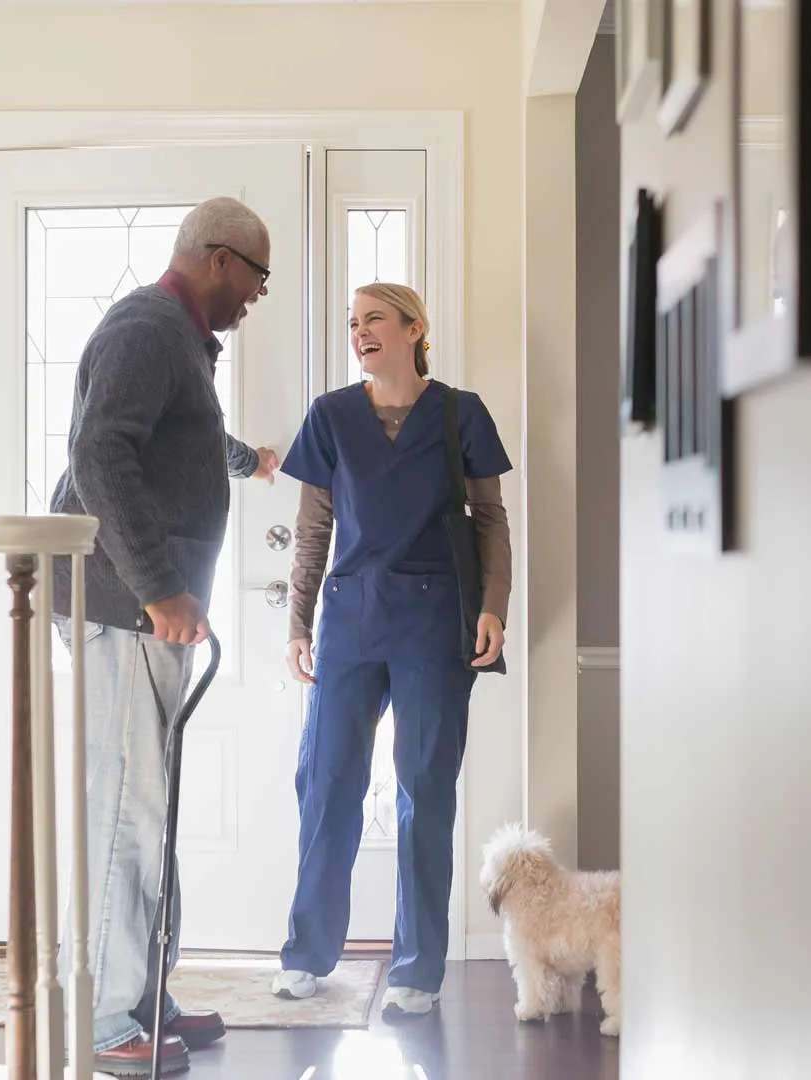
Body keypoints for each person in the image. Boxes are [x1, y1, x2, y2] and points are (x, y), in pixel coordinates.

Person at [47, 196, 278, 1076]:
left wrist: (250, 459)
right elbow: (101, 453)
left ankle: (144, 992)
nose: (257, 296)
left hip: (143, 608)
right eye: (256, 278)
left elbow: (180, 438)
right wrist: (160, 589)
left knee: (154, 810)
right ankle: (109, 1022)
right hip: (124, 607)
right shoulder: (147, 329)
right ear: (220, 260)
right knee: (127, 814)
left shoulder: (177, 344)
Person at [270, 282, 513, 1020]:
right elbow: (314, 529)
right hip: (349, 621)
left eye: (373, 318)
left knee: (424, 789)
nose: (359, 332)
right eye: (352, 322)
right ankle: (307, 954)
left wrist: (494, 609)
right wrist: (298, 622)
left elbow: (491, 520)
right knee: (327, 785)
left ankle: (418, 967)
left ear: (415, 328)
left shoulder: (458, 412)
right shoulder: (331, 416)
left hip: (435, 624)